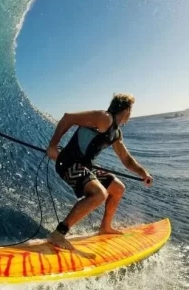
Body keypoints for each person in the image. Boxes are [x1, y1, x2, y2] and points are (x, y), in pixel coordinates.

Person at [45, 93, 153, 249]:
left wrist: (143, 174)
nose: (131, 114)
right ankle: (59, 234)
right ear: (126, 110)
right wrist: (53, 146)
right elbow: (68, 118)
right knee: (99, 194)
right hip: (68, 162)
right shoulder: (104, 118)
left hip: (85, 166)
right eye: (131, 110)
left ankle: (105, 227)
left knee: (117, 188)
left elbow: (126, 159)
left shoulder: (116, 133)